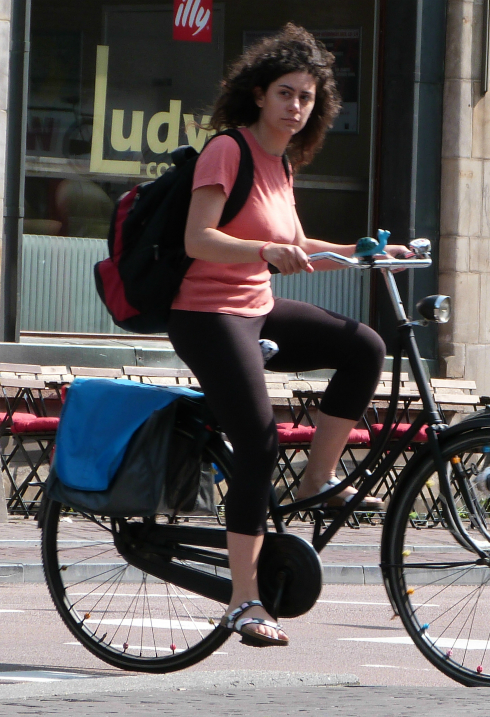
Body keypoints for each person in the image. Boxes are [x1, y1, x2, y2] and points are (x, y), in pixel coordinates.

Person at [168, 24, 410, 647]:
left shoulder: (279, 162)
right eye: (285, 93)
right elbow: (201, 240)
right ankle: (244, 601)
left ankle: (317, 480)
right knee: (256, 435)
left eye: (306, 97)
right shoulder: (230, 149)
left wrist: (364, 254)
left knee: (365, 347)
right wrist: (266, 249)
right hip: (208, 314)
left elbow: (297, 247)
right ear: (258, 94)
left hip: (256, 305)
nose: (296, 107)